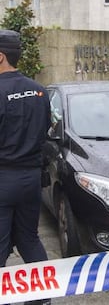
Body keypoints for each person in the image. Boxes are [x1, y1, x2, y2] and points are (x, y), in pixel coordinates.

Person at [0, 30, 51, 305]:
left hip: (3, 179)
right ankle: (41, 299)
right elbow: (44, 131)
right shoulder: (40, 91)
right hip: (31, 179)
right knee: (29, 239)